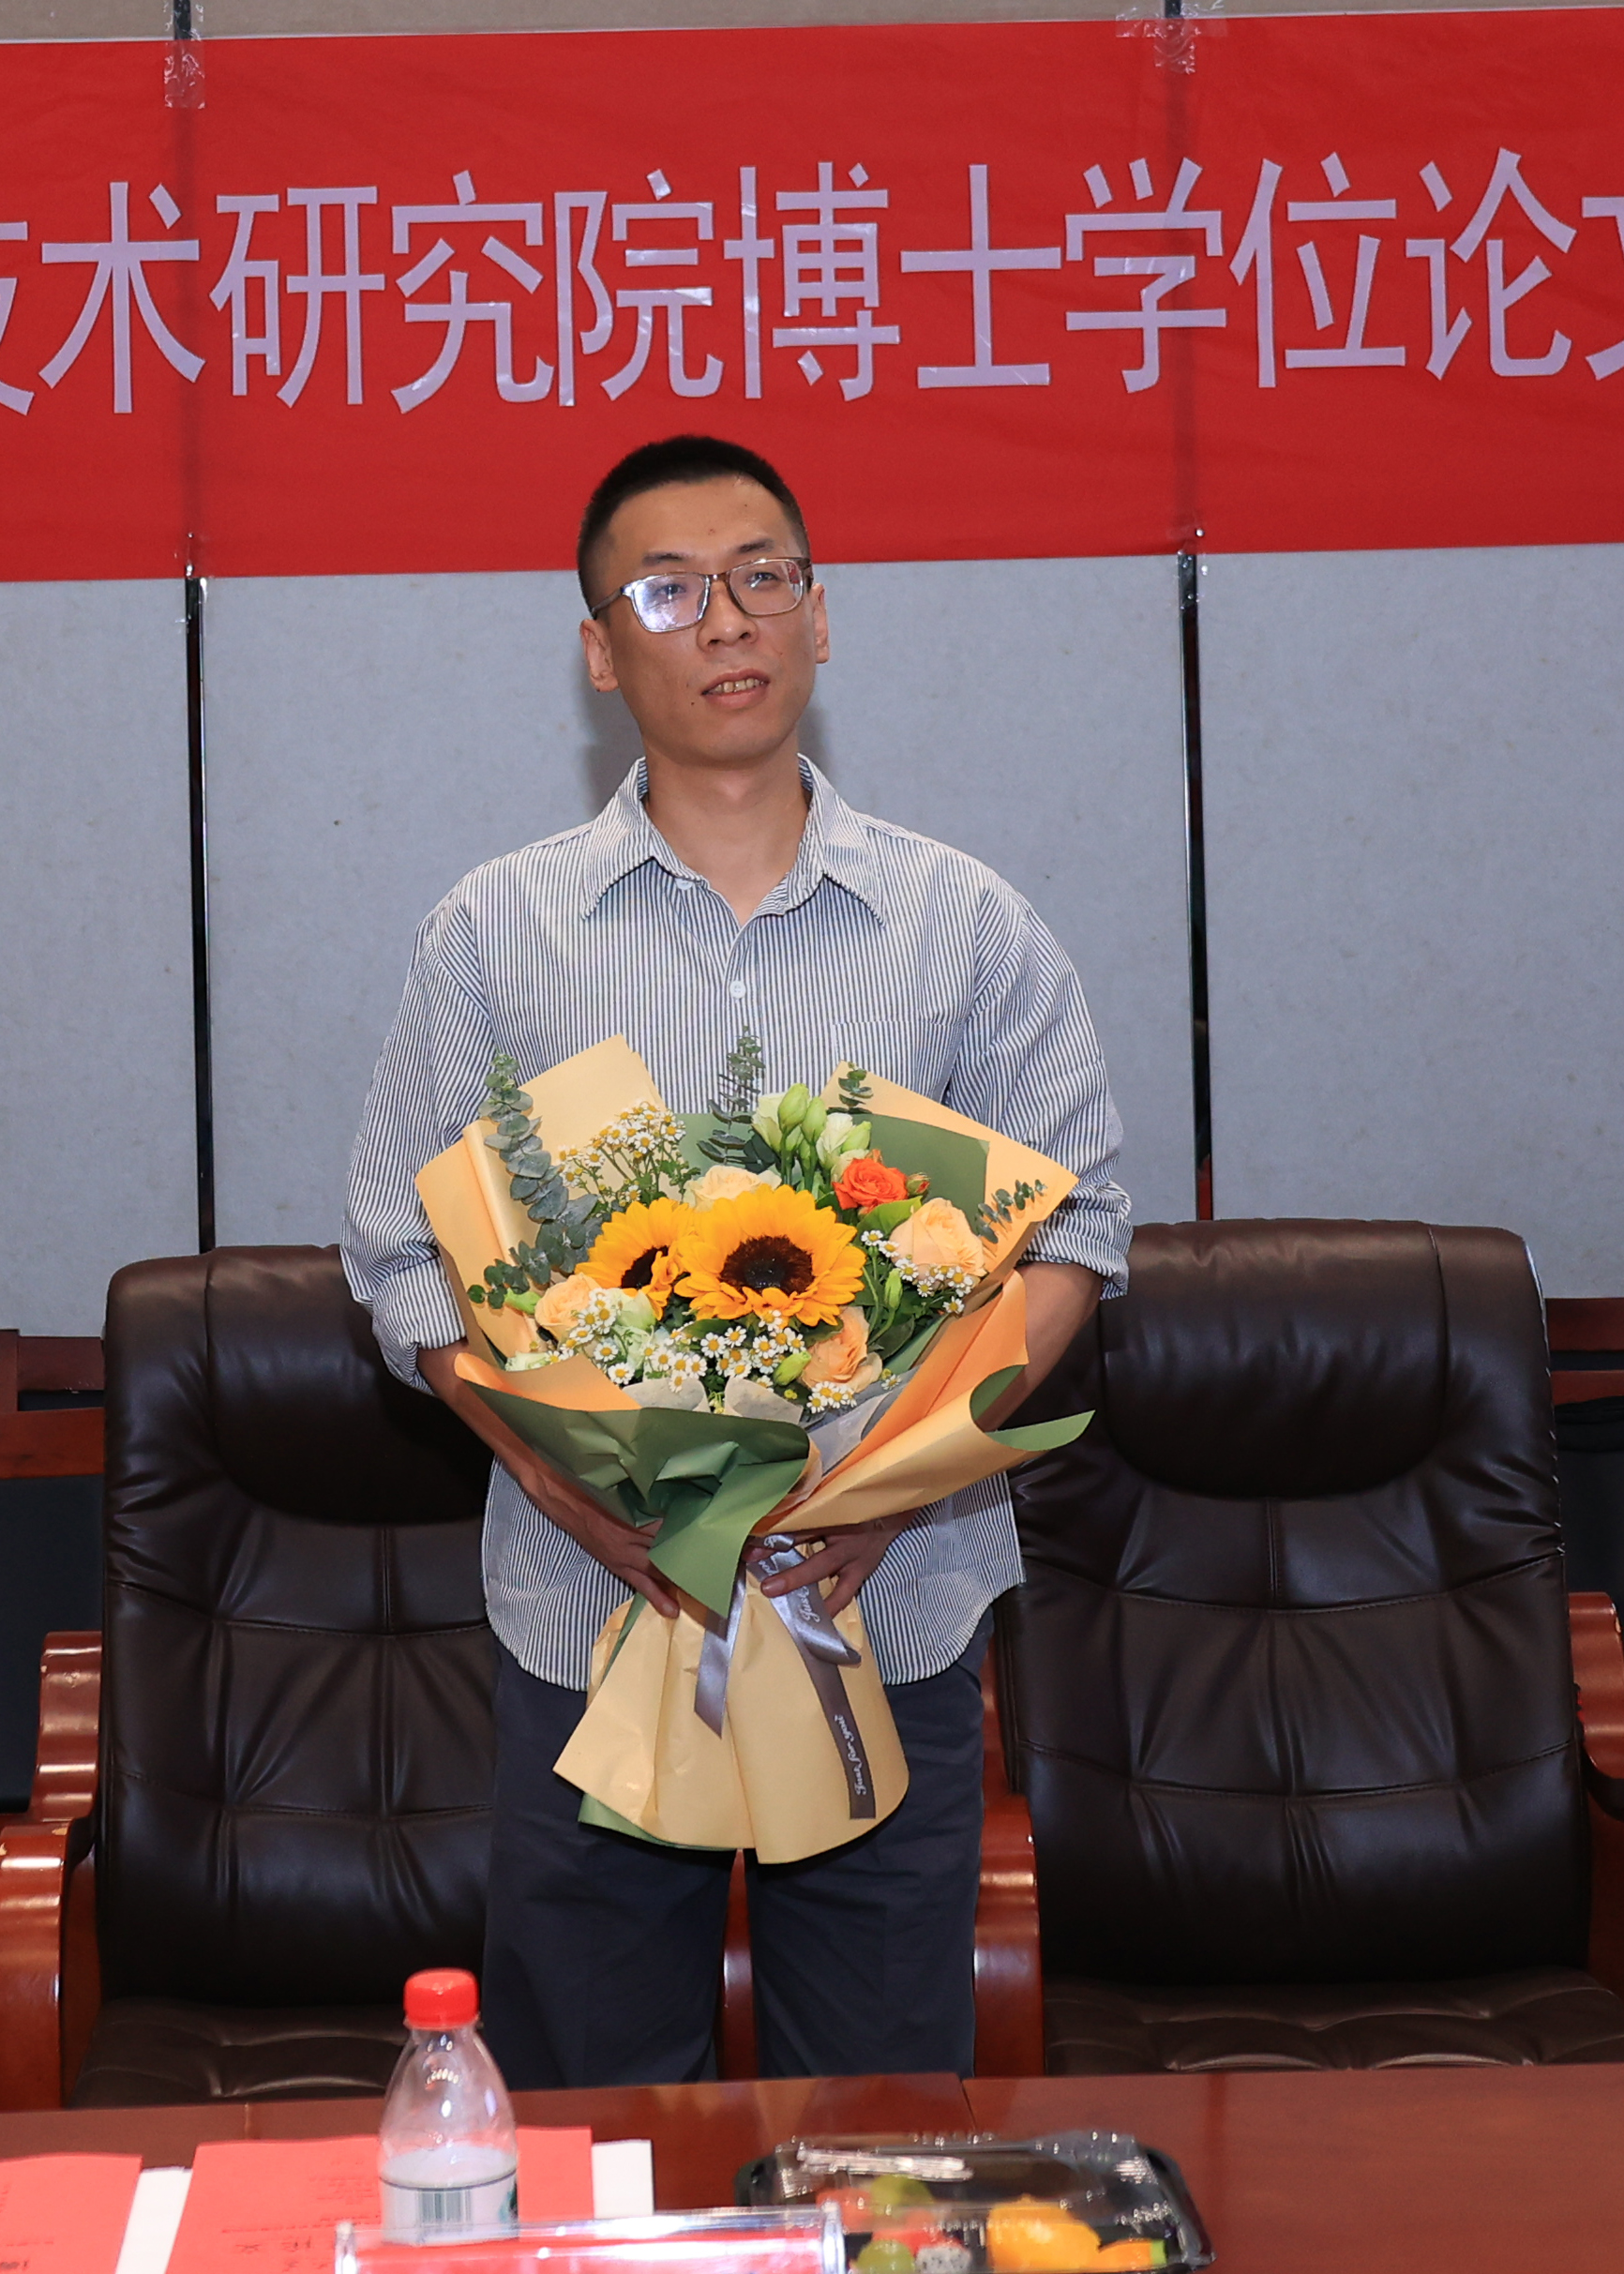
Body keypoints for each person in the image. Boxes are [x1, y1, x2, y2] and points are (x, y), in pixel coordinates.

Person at [341, 433, 1130, 2089]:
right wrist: (563, 1484)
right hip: (593, 1619)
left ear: (819, 617)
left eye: (763, 575)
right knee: (593, 2124)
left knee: (883, 2128)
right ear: (598, 648)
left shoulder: (966, 925)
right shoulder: (494, 935)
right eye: (670, 590)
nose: (726, 619)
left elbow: (1075, 1230)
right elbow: (403, 1256)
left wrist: (898, 1481)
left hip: (884, 1611)